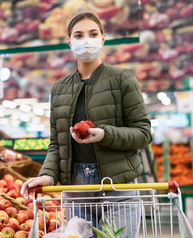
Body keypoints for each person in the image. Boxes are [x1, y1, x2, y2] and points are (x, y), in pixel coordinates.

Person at [20, 12, 151, 237]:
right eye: (78, 35)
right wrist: (48, 175)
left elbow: (143, 133)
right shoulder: (59, 89)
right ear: (70, 42)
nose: (86, 40)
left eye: (93, 34)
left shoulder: (122, 79)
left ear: (102, 39)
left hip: (118, 185)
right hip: (76, 187)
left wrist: (104, 134)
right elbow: (57, 143)